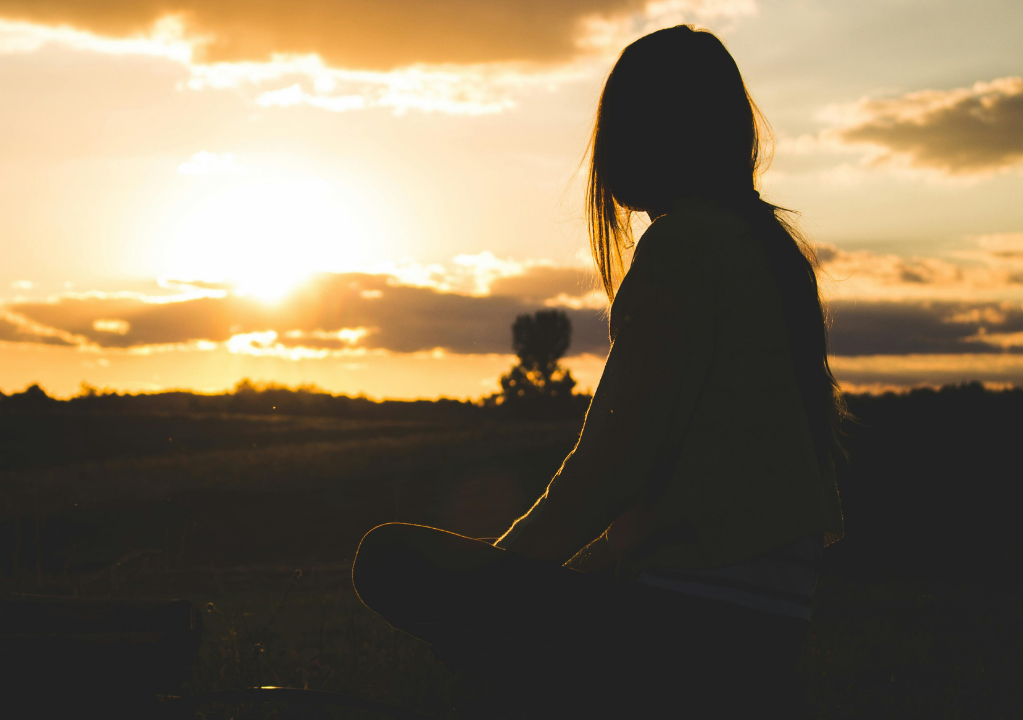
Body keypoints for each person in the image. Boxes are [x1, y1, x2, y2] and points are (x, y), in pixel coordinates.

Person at [351, 24, 847, 719]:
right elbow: (672, 504)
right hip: (766, 634)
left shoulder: (686, 247)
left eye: (615, 124)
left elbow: (613, 465)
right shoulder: (770, 254)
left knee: (388, 559)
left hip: (685, 635)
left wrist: (500, 579)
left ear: (654, 132)